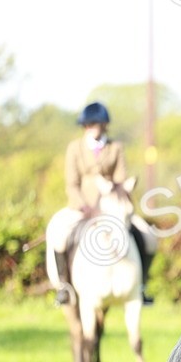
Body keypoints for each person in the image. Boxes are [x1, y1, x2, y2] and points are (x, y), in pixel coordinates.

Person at [45, 102, 158, 306]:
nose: (94, 128)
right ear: (85, 126)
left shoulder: (115, 147)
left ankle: (141, 286)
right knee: (60, 236)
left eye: (98, 124)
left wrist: (112, 201)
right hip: (82, 208)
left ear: (105, 125)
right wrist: (84, 206)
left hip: (112, 207)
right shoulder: (75, 148)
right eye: (90, 124)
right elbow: (72, 183)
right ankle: (65, 287)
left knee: (149, 238)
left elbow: (121, 179)